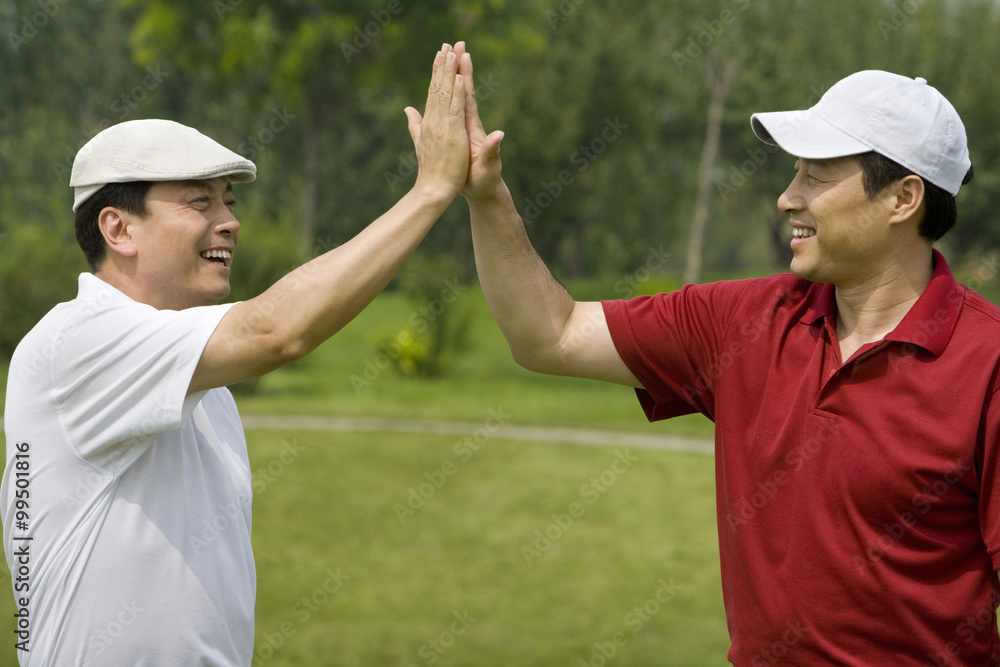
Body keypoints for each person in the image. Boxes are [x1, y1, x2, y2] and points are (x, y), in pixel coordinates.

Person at [460, 69, 1000, 664]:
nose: (787, 196)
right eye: (794, 172)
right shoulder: (743, 321)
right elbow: (551, 335)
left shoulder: (988, 365)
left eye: (815, 174)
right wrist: (488, 198)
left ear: (903, 198)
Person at [1, 42, 473, 665]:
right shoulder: (78, 342)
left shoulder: (203, 383)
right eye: (200, 202)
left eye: (229, 201)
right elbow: (276, 332)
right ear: (118, 229)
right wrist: (430, 190)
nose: (229, 222)